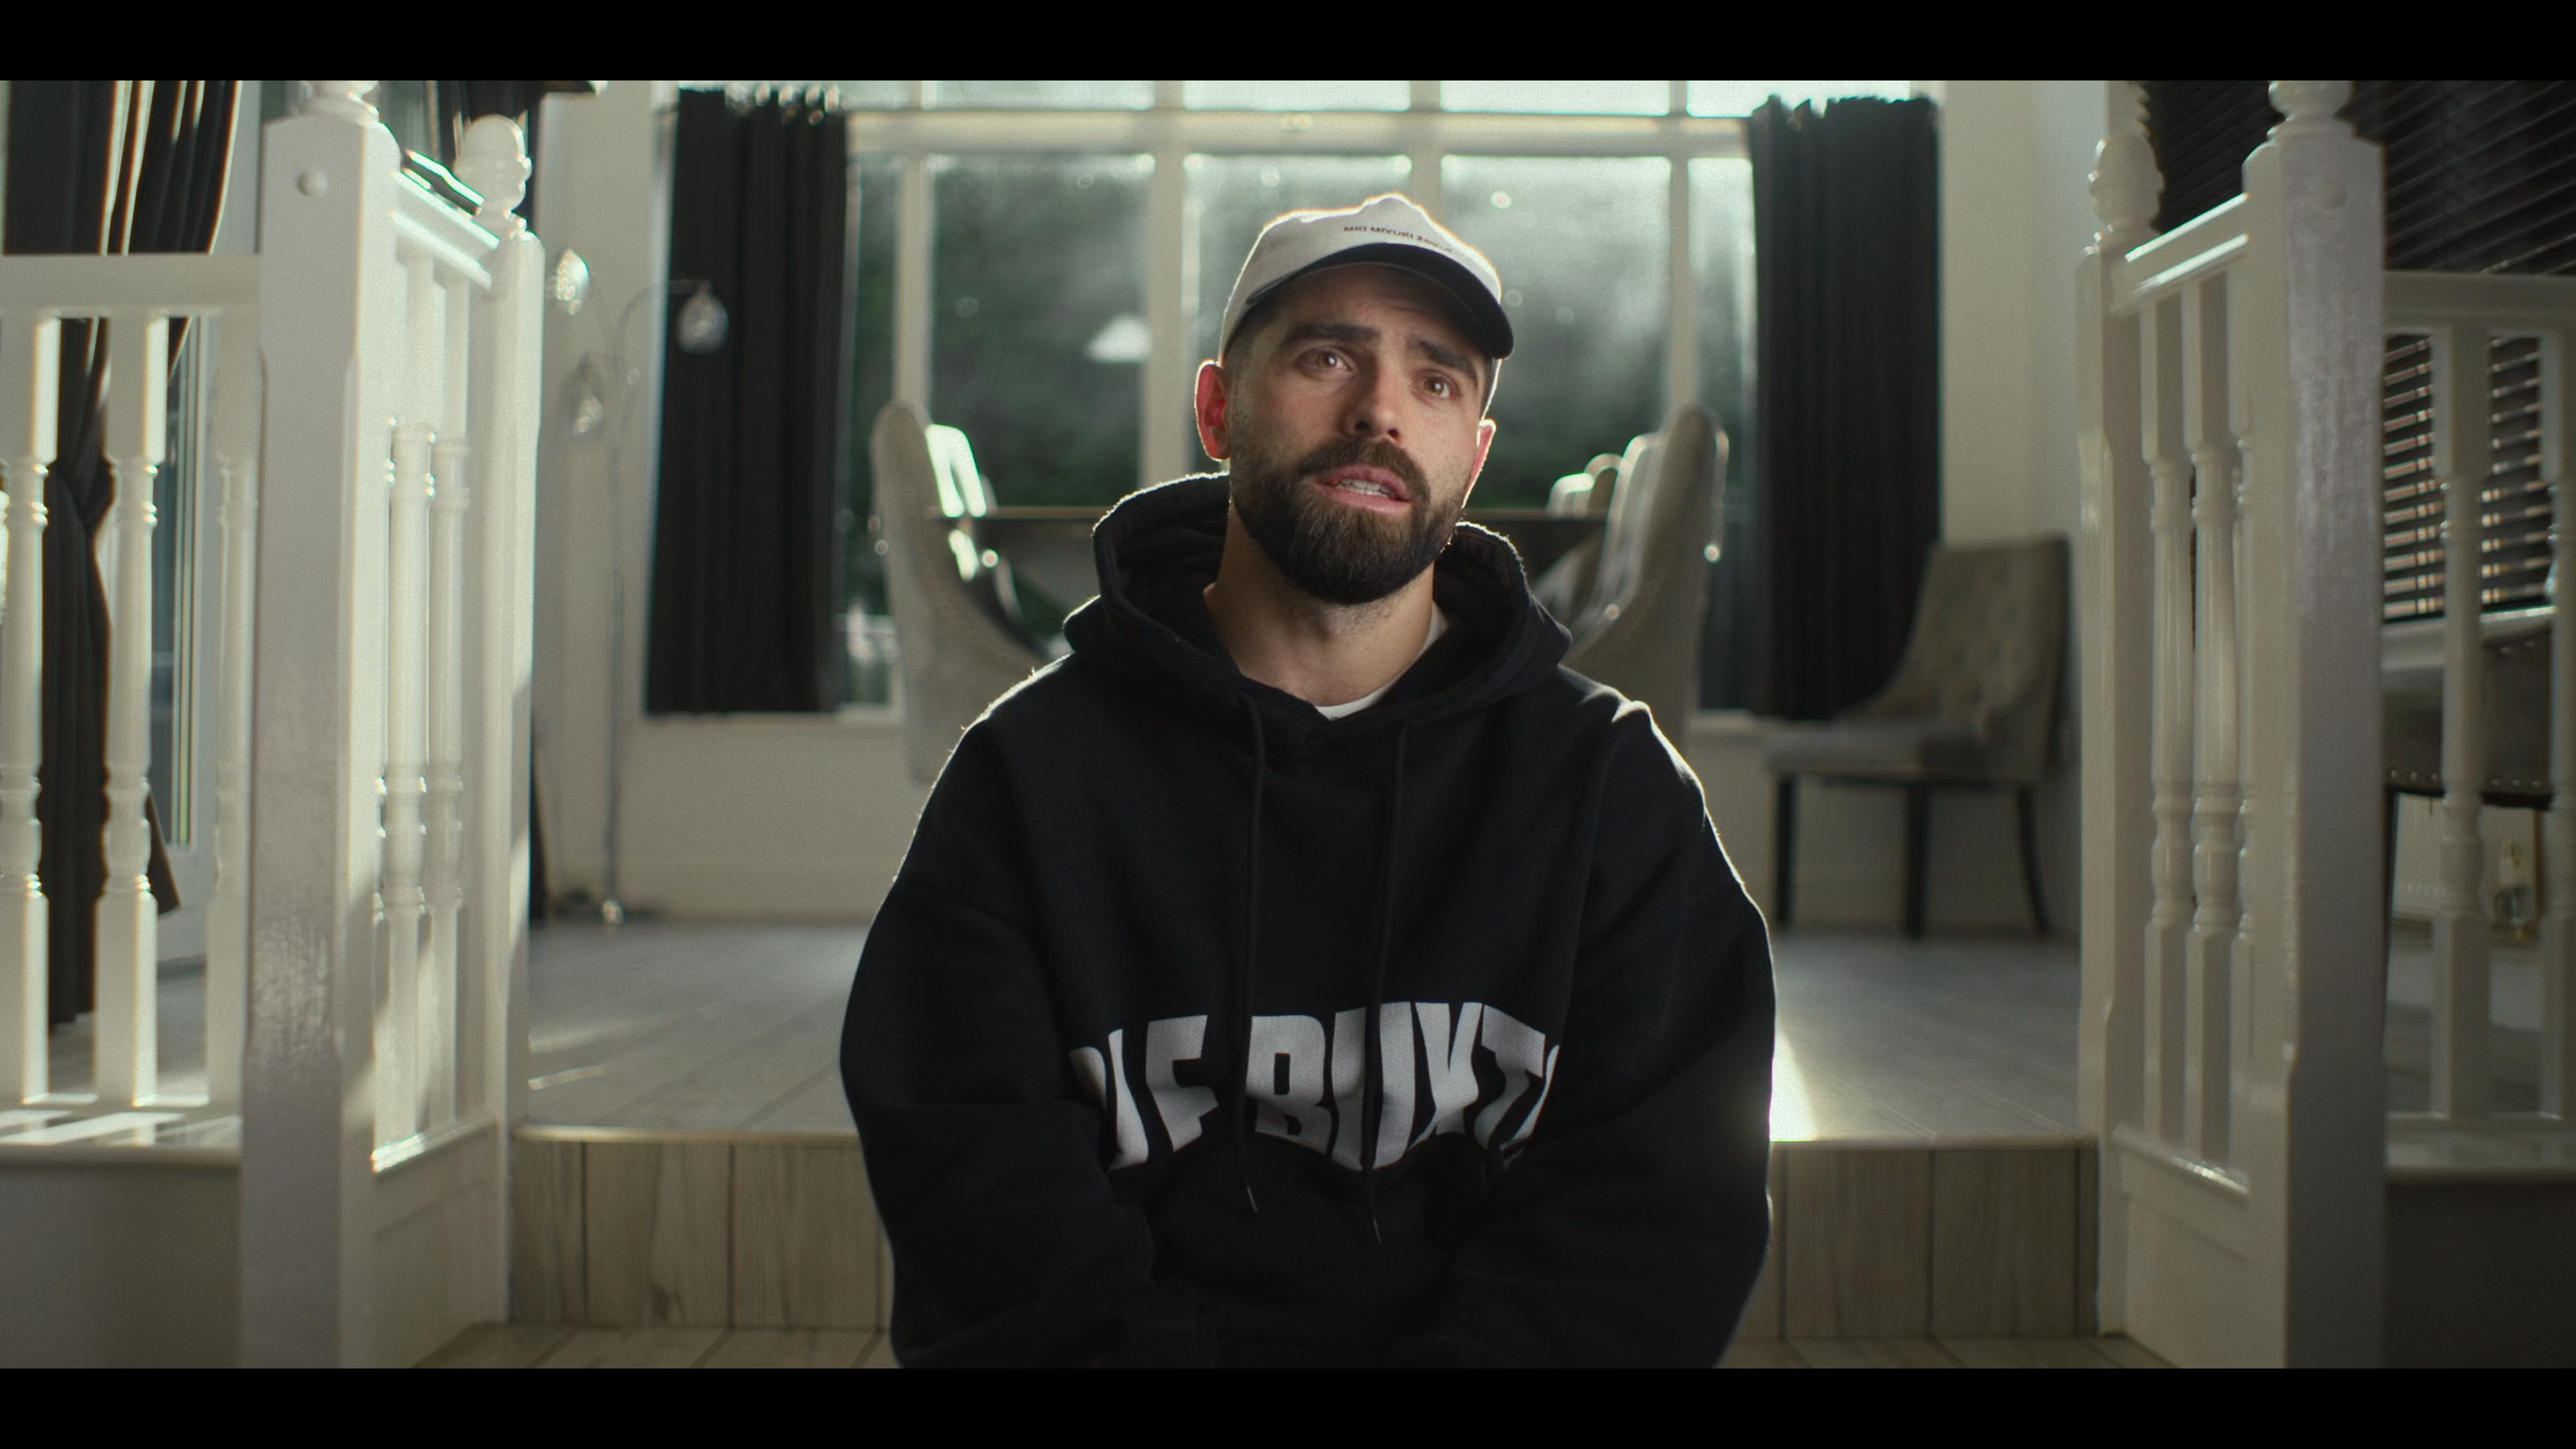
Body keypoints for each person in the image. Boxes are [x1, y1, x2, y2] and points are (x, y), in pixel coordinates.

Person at [841, 193, 1774, 1367]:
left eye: (1436, 381)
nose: (1381, 410)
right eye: (1327, 357)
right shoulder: (1026, 782)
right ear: (1218, 411)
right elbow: (985, 1207)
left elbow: (1652, 1217)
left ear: (1474, 457)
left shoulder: (1612, 791)